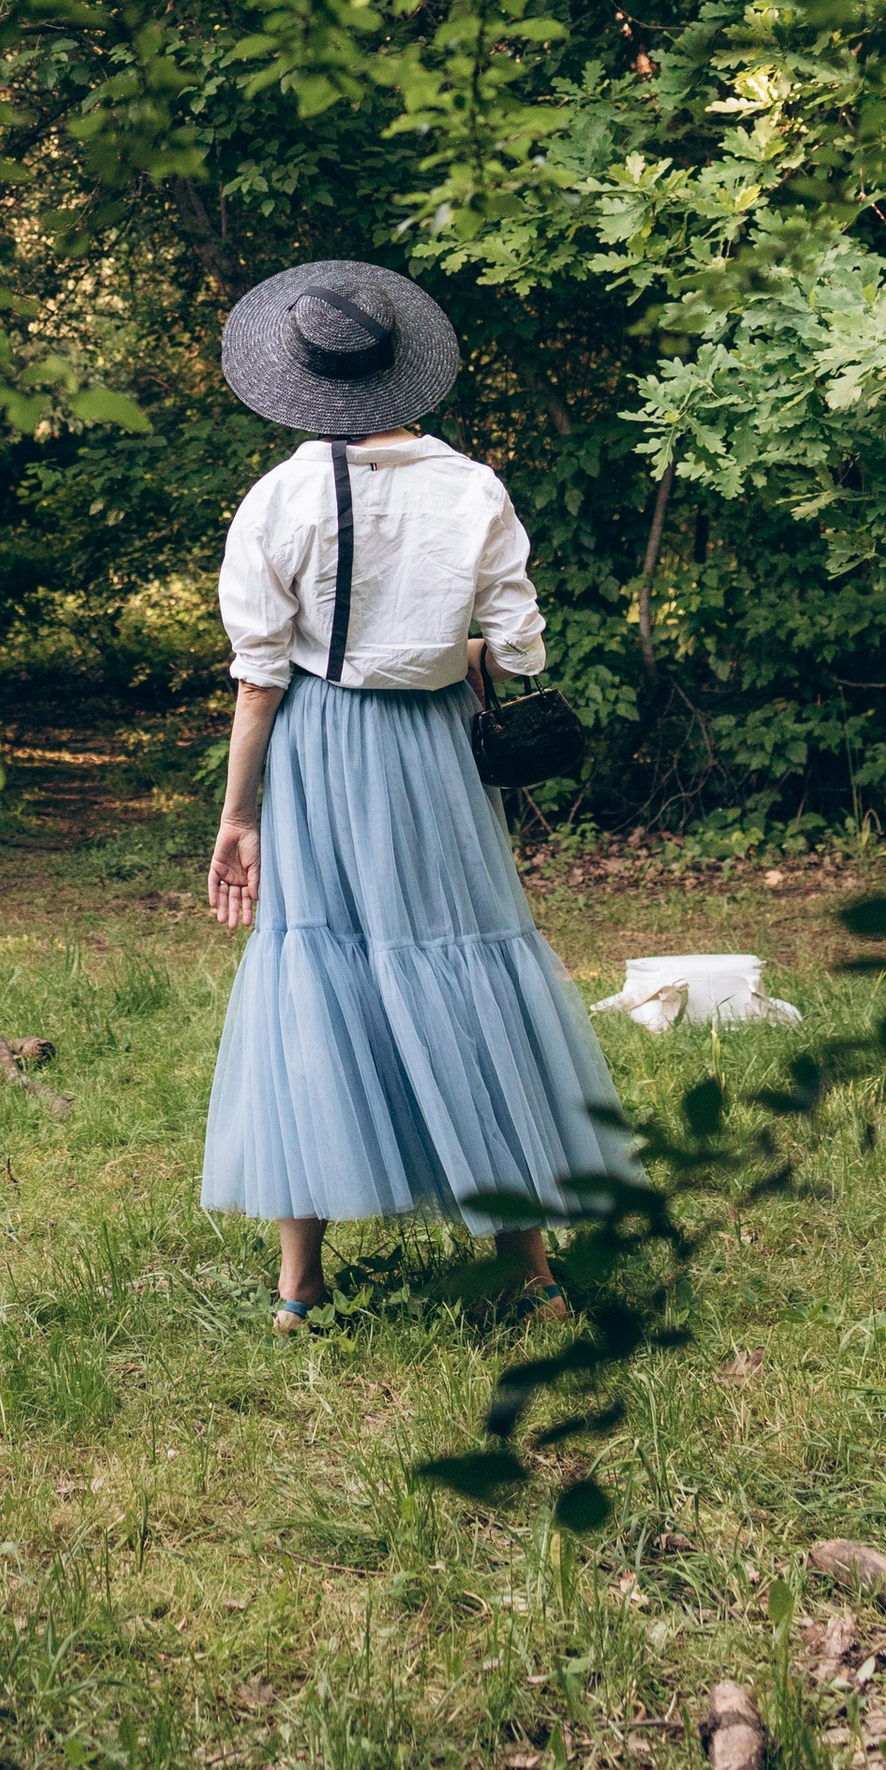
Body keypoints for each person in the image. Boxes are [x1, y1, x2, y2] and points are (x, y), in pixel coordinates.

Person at [200, 258, 638, 1330]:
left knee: (314, 974)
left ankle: (299, 1284)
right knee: (469, 962)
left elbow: (260, 681)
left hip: (316, 752)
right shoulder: (472, 488)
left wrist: (238, 815)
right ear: (403, 372)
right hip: (435, 751)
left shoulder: (280, 497)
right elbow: (521, 649)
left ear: (300, 382)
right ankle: (527, 1271)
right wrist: (443, 643)